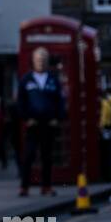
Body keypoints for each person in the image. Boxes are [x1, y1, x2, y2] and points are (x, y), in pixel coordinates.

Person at [16, 47, 65, 196]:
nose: (41, 62)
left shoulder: (53, 79)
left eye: (43, 59)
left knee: (47, 157)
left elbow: (60, 101)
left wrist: (57, 118)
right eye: (38, 59)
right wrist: (26, 118)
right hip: (33, 124)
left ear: (47, 61)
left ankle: (46, 186)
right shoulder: (26, 80)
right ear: (33, 60)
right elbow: (20, 102)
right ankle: (24, 187)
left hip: (48, 123)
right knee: (29, 156)